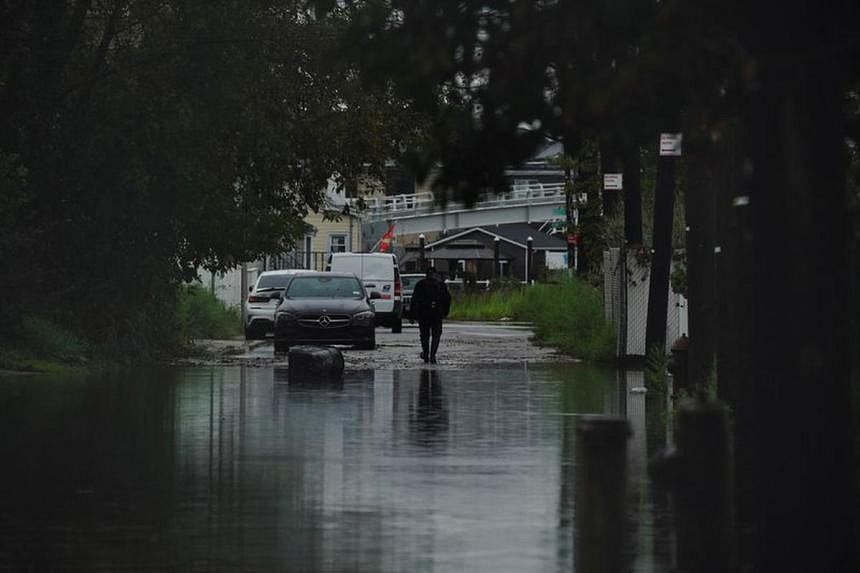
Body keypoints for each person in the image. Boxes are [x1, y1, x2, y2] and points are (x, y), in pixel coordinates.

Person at [408, 267, 451, 363]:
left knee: (424, 335)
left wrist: (412, 315)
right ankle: (432, 355)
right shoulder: (441, 285)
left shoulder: (420, 284)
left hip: (423, 313)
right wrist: (444, 312)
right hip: (436, 313)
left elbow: (414, 300)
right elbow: (447, 300)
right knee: (436, 334)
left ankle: (426, 354)